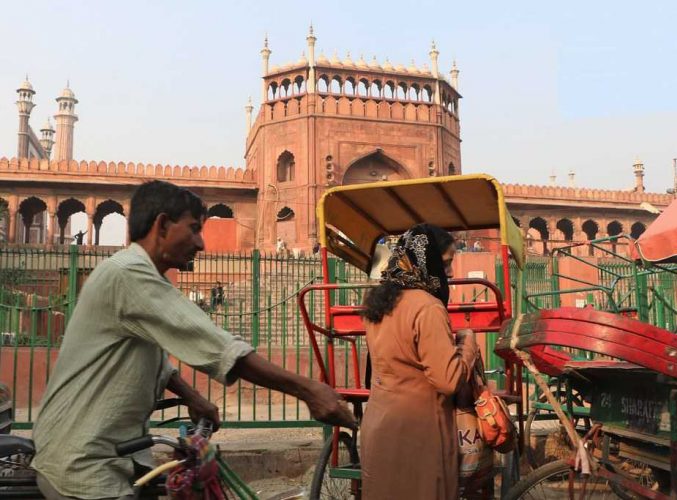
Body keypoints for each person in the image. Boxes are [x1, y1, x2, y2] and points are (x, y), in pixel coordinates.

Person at [32, 180, 355, 499]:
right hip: (84, 465)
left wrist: (192, 397)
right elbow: (216, 345)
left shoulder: (137, 276)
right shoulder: (128, 274)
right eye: (194, 228)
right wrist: (308, 389)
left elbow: (155, 360)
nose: (201, 243)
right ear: (162, 225)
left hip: (112, 455)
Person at [360, 223, 479, 500]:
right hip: (419, 432)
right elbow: (448, 380)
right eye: (446, 262)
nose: (449, 272)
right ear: (428, 260)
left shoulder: (380, 303)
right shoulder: (427, 307)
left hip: (380, 425)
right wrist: (468, 343)